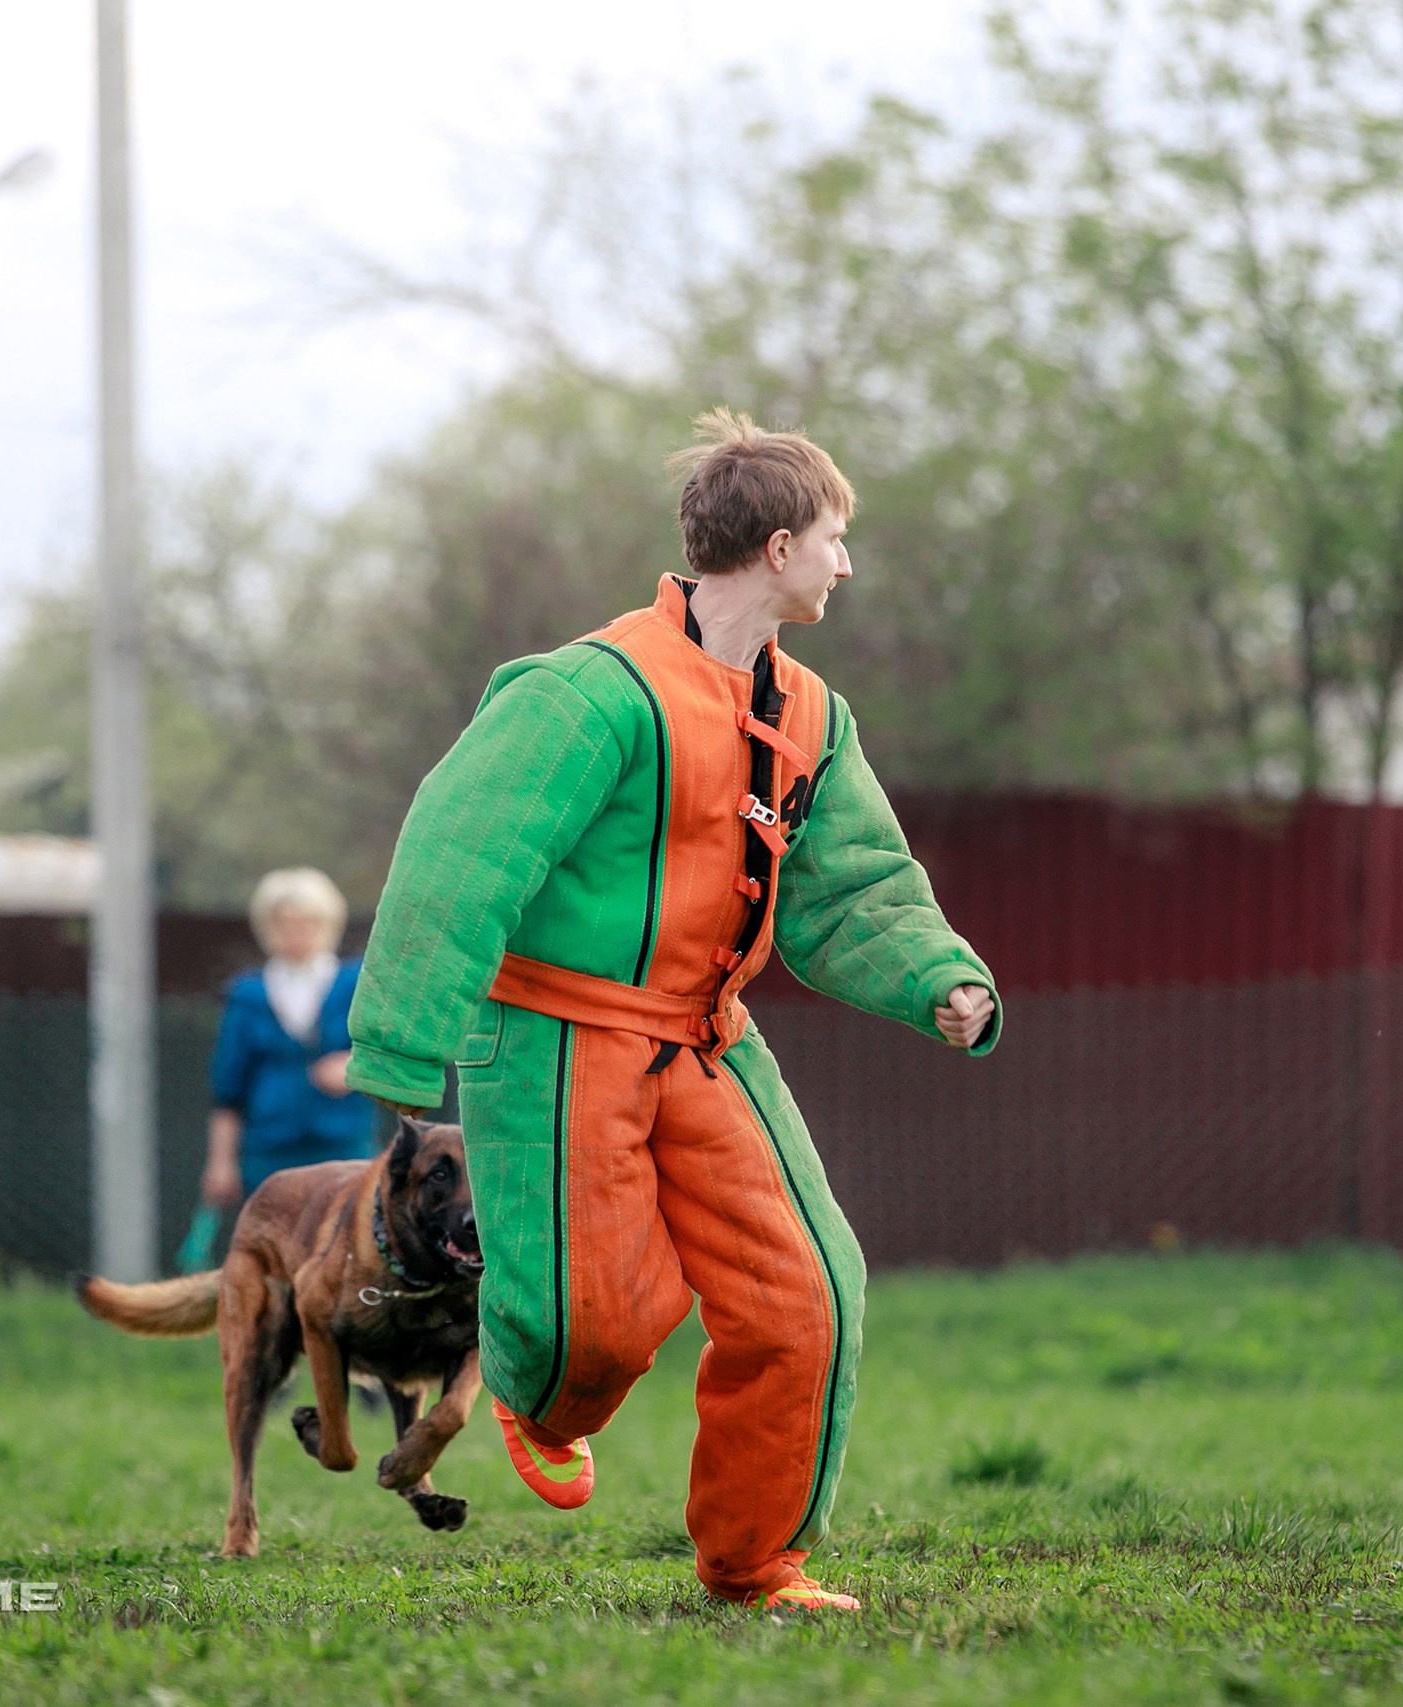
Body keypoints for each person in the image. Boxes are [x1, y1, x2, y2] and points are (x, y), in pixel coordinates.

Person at [345, 409, 999, 1613]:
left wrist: (940, 978)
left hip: (708, 1036)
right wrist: (399, 1032)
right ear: (781, 545)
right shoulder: (590, 693)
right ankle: (541, 1395)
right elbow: (462, 848)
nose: (846, 565)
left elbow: (853, 881)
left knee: (809, 1293)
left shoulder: (812, 716)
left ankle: (756, 1565)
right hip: (554, 1027)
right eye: (838, 540)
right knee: (597, 1315)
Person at [202, 868, 375, 1211]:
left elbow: (393, 1056)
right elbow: (228, 1089)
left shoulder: (356, 983)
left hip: (343, 1144)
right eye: (287, 923)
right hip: (271, 1148)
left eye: (308, 922)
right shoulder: (248, 993)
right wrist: (220, 1162)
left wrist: (356, 1067)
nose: (298, 933)